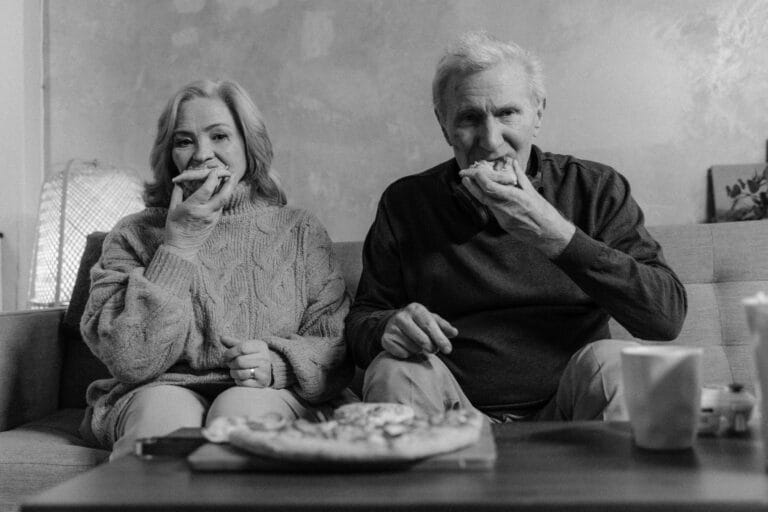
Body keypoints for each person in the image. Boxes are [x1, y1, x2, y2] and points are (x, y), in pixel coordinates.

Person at [345, 31, 687, 423]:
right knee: (393, 370)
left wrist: (553, 234)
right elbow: (362, 319)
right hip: (453, 411)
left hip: (571, 407)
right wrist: (386, 326)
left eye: (508, 113)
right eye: (470, 118)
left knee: (614, 362)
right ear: (444, 126)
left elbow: (666, 318)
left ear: (537, 114)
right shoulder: (406, 203)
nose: (491, 142)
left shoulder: (595, 188)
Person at [79, 79, 353, 458]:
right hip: (156, 390)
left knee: (241, 419)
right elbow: (131, 360)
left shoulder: (300, 230)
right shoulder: (133, 234)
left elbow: (334, 342)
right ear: (169, 153)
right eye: (184, 140)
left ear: (248, 145)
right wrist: (179, 245)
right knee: (161, 429)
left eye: (220, 136)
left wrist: (278, 364)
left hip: (266, 392)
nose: (202, 154)